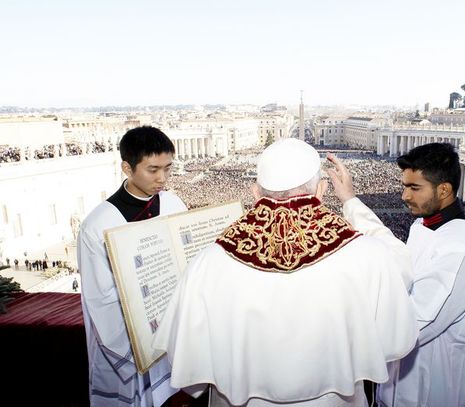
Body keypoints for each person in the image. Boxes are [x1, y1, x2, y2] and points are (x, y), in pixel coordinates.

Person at [153, 138, 418, 407]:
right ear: (322, 190)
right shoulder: (367, 254)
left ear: (255, 192)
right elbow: (396, 328)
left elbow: (189, 365)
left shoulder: (207, 262)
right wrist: (350, 201)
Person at [327, 142, 465, 407]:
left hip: (432, 392)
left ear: (444, 189)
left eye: (414, 188)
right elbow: (393, 257)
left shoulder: (460, 248)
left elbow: (410, 326)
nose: (404, 196)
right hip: (398, 388)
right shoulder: (422, 226)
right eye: (405, 186)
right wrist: (350, 200)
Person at [78, 126, 188, 406]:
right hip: (130, 339)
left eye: (168, 168)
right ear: (127, 167)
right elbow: (100, 297)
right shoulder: (98, 224)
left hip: (171, 324)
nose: (162, 179)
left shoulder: (173, 203)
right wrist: (141, 337)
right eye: (153, 170)